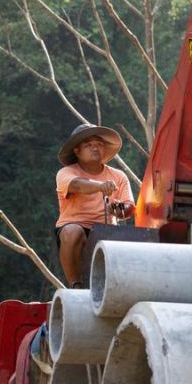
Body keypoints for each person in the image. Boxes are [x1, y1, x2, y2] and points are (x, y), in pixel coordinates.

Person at [55, 123, 135, 288]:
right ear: (77, 151)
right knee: (72, 231)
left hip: (107, 231)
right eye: (88, 145)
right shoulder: (66, 173)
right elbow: (76, 185)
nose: (95, 148)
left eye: (99, 144)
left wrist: (118, 209)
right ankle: (75, 285)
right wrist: (100, 186)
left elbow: (129, 209)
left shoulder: (118, 176)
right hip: (76, 228)